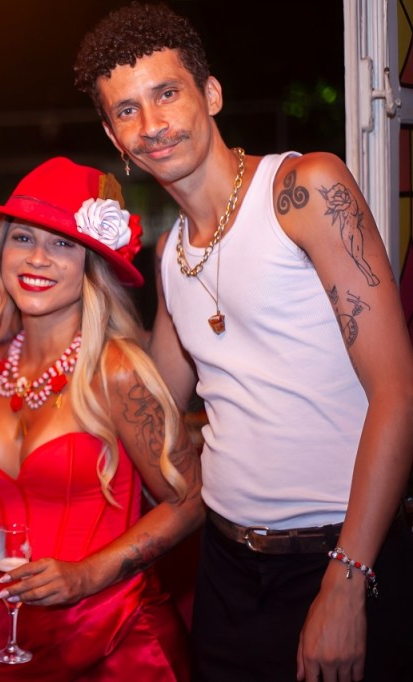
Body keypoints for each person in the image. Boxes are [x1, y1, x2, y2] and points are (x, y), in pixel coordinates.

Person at [74, 4, 413, 681]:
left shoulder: (304, 190)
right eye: (127, 111)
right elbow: (152, 404)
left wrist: (347, 578)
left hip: (340, 556)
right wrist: (62, 299)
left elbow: (398, 393)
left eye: (167, 93)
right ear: (114, 136)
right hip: (227, 570)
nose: (152, 124)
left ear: (211, 94)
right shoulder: (173, 254)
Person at [0, 157, 203, 680]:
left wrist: (88, 574)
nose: (38, 258)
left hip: (119, 642)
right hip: (17, 637)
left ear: (92, 263)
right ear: (1, 249)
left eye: (63, 244)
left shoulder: (118, 370)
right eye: (23, 238)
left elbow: (190, 500)